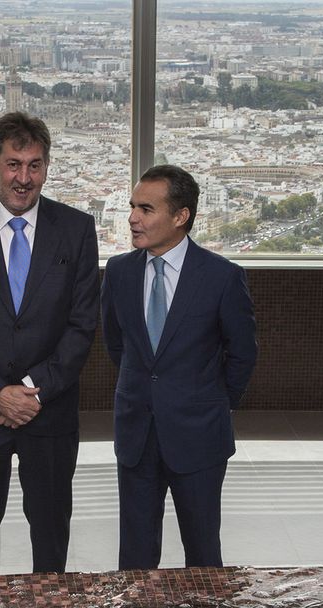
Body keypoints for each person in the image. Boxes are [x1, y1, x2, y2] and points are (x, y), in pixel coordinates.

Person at [0, 112, 99, 577]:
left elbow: (82, 325)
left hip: (49, 414)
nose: (23, 178)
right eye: (13, 164)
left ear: (47, 167)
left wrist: (28, 390)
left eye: (34, 165)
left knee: (50, 540)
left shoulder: (77, 229)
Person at [102, 164, 258, 570]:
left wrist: (212, 403)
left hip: (200, 436)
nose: (133, 218)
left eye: (146, 209)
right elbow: (118, 345)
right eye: (132, 207)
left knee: (203, 553)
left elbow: (242, 354)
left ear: (180, 216)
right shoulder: (118, 273)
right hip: (137, 433)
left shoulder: (222, 277)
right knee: (135, 556)